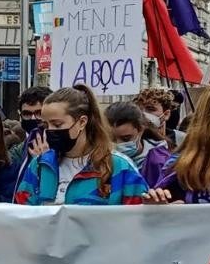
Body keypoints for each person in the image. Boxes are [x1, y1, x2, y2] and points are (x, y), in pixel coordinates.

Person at [13, 85, 149, 206]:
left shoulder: (119, 167)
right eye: (46, 125)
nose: (50, 130)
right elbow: (23, 217)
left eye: (57, 124)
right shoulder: (39, 166)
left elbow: (138, 221)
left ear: (82, 122)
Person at [104, 102, 173, 188]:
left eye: (126, 138)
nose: (118, 144)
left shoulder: (160, 163)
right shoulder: (100, 162)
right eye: (112, 139)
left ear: (141, 130)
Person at [8, 86, 51, 169]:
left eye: (39, 113)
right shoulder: (17, 153)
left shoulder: (64, 152)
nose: (33, 118)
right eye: (27, 114)